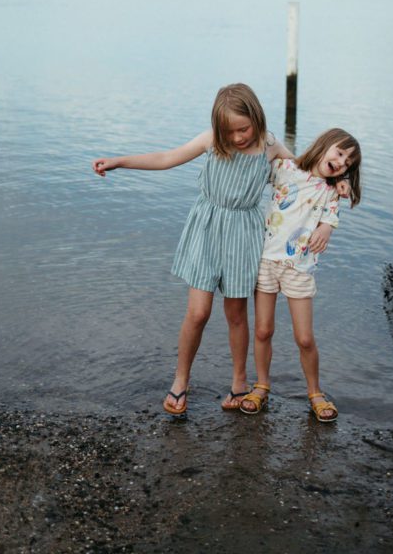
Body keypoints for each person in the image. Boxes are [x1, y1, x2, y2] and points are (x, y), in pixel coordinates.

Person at [92, 83, 293, 416]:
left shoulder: (269, 144)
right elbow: (168, 158)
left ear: (256, 117)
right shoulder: (213, 140)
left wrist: (337, 181)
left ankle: (239, 384)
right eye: (230, 132)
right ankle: (180, 380)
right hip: (206, 228)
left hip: (243, 232)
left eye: (244, 129)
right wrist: (119, 161)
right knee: (198, 313)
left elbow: (302, 172)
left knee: (236, 315)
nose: (239, 138)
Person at [239, 128, 362, 423]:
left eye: (347, 163)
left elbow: (330, 218)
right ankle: (261, 386)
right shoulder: (285, 168)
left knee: (304, 338)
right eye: (340, 153)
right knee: (263, 330)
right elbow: (257, 164)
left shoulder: (332, 191)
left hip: (299, 268)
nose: (341, 162)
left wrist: (326, 227)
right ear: (324, 144)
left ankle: (315, 392)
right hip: (266, 260)